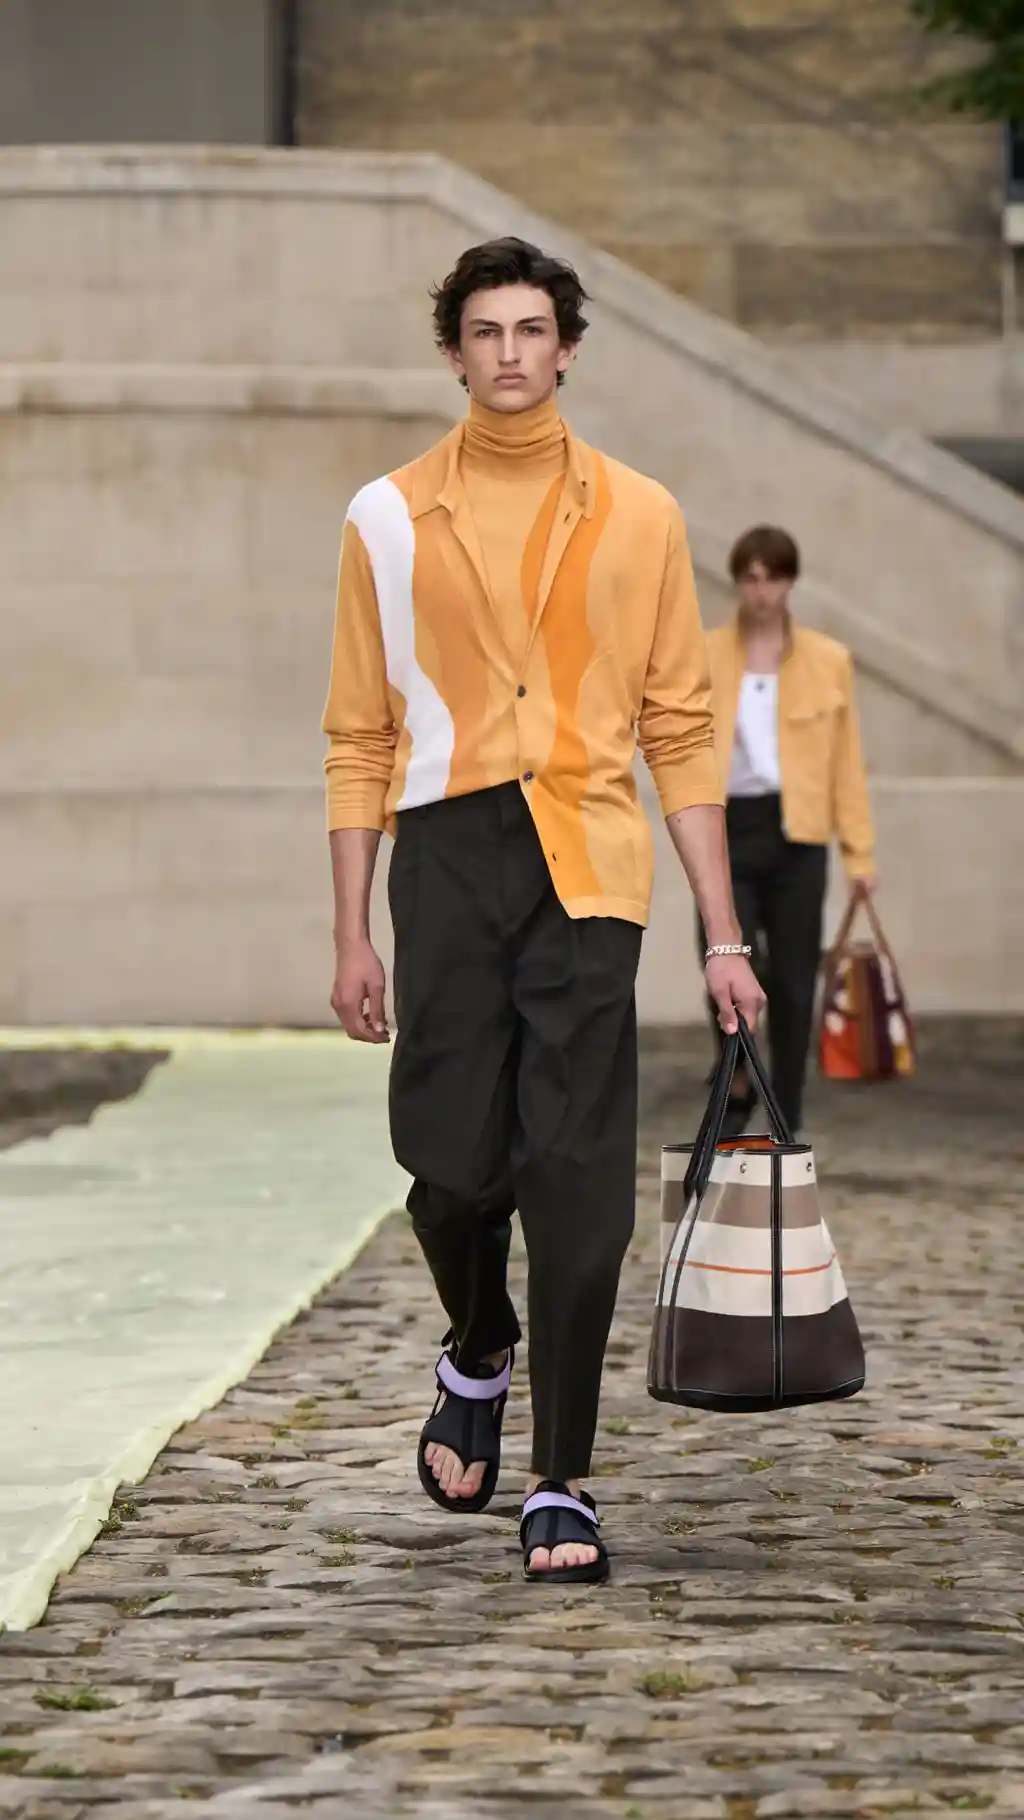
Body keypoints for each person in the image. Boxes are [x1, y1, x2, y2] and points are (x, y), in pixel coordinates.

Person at [322, 236, 763, 1586]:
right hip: (448, 862)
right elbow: (358, 733)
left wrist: (723, 933)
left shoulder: (642, 514)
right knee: (450, 1167)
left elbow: (680, 727)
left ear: (566, 348)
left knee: (577, 1185)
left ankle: (561, 1476)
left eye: (531, 330)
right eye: (485, 331)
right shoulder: (385, 517)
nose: (509, 352)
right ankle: (479, 1344)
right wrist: (351, 929)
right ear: (454, 352)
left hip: (589, 865)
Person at [704, 526, 876, 1139]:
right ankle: (739, 1074)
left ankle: (788, 1112)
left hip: (799, 833)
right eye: (750, 578)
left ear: (790, 582)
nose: (761, 591)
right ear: (737, 582)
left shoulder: (828, 661)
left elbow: (845, 763)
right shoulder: (704, 656)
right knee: (725, 957)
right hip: (729, 828)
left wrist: (860, 855)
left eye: (772, 577)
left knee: (796, 979)